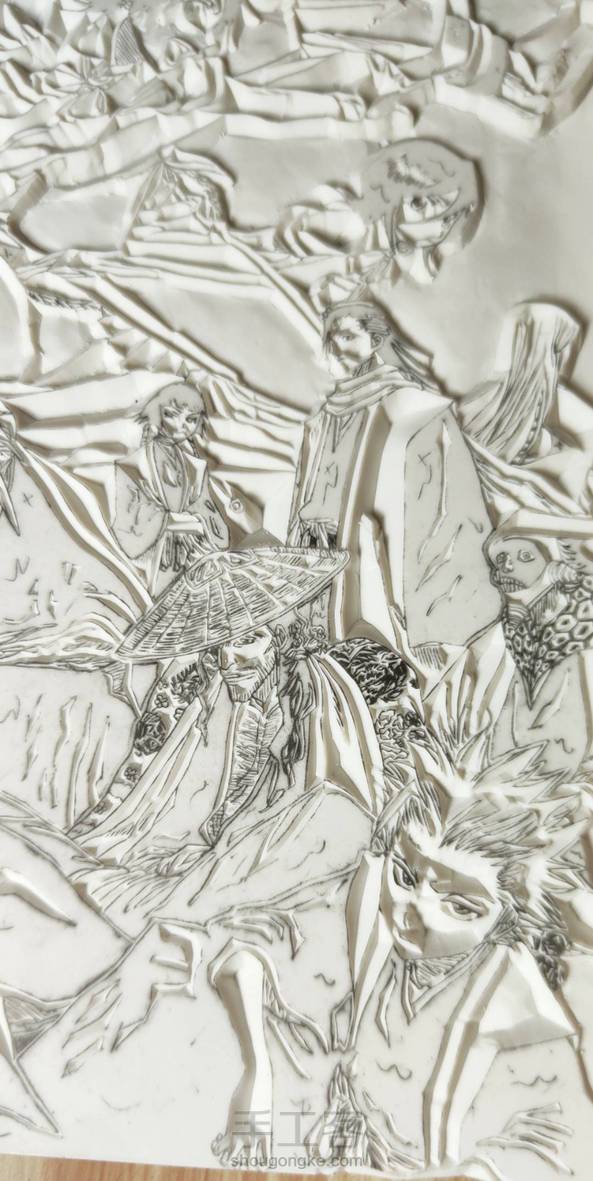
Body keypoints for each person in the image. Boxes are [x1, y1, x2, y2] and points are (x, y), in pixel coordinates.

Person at [71, 538, 348, 862]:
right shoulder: (188, 686)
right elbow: (135, 770)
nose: (229, 659)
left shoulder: (300, 695)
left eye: (248, 639)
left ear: (278, 639)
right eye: (220, 646)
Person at [288, 289, 499, 651]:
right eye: (331, 337)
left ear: (375, 341)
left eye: (348, 336)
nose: (336, 346)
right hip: (317, 547)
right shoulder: (326, 413)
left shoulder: (410, 405)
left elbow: (442, 498)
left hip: (372, 548)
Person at [425, 508, 593, 776]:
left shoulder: (581, 632)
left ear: (556, 567)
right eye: (501, 559)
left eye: (525, 556)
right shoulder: (509, 636)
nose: (507, 567)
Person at [113, 380, 229, 595]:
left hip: (194, 554)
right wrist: (180, 521)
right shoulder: (136, 464)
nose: (181, 425)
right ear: (157, 413)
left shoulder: (193, 464)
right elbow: (131, 520)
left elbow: (207, 509)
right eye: (172, 415)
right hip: (157, 558)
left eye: (191, 419)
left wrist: (196, 522)